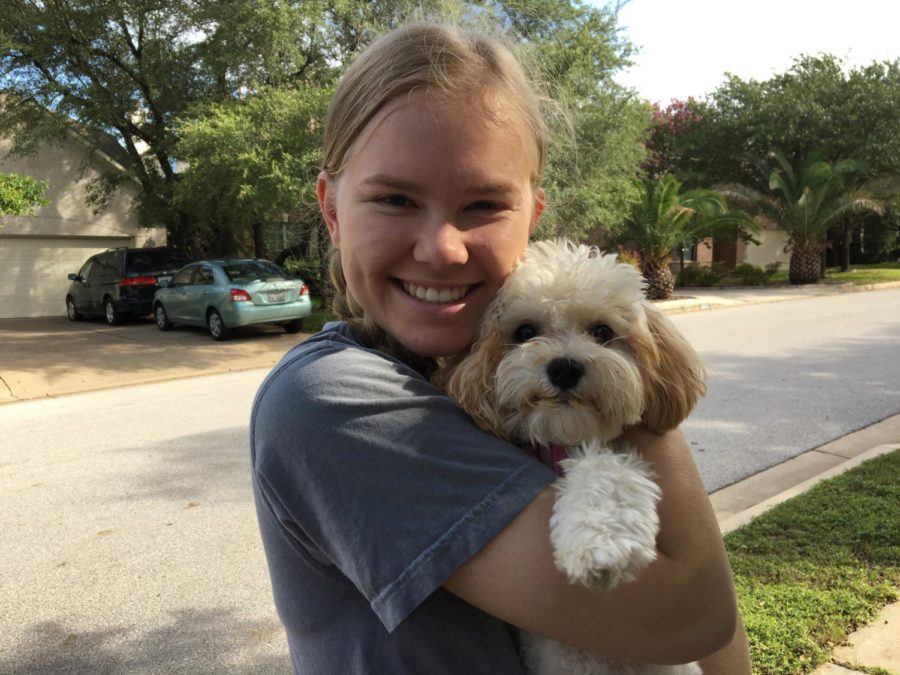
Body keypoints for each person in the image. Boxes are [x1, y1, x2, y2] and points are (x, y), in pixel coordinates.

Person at [250, 20, 750, 674]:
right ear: (333, 210)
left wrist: (636, 384)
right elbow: (693, 617)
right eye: (396, 198)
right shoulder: (335, 404)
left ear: (532, 218)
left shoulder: (469, 380)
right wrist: (626, 397)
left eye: (484, 204)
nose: (443, 248)